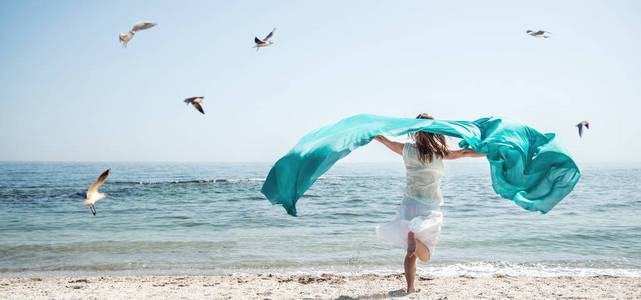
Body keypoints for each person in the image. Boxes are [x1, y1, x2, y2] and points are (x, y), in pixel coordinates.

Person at [374, 113, 486, 293]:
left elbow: (383, 139)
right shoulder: (439, 153)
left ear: (415, 131)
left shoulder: (406, 149)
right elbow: (464, 152)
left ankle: (410, 288)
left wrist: (370, 131)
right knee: (425, 254)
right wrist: (489, 152)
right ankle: (414, 245)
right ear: (434, 132)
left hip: (408, 205)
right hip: (429, 207)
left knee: (410, 253)